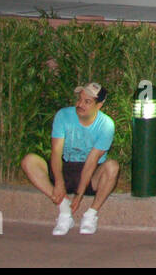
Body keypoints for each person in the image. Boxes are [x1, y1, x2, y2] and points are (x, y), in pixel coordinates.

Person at [20, 82, 119, 236]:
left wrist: (79, 196)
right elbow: (56, 152)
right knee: (29, 161)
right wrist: (59, 183)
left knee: (112, 167)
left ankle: (91, 215)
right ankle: (64, 210)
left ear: (99, 105)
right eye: (80, 99)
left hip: (90, 173)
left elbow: (92, 161)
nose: (80, 104)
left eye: (87, 102)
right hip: (65, 166)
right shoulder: (63, 115)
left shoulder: (106, 125)